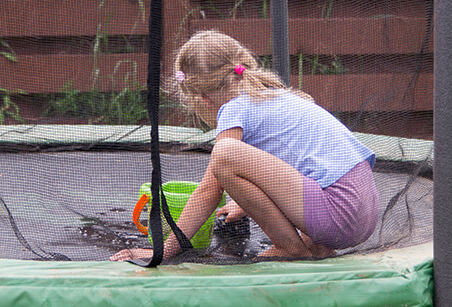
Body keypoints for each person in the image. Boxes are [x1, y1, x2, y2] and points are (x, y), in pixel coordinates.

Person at [110, 30, 378, 261]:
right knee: (235, 160)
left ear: (202, 98)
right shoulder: (272, 97)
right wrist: (245, 203)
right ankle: (312, 248)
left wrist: (164, 251)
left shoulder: (233, 108)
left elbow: (209, 191)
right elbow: (288, 166)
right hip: (361, 213)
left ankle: (290, 247)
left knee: (224, 155)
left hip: (337, 213)